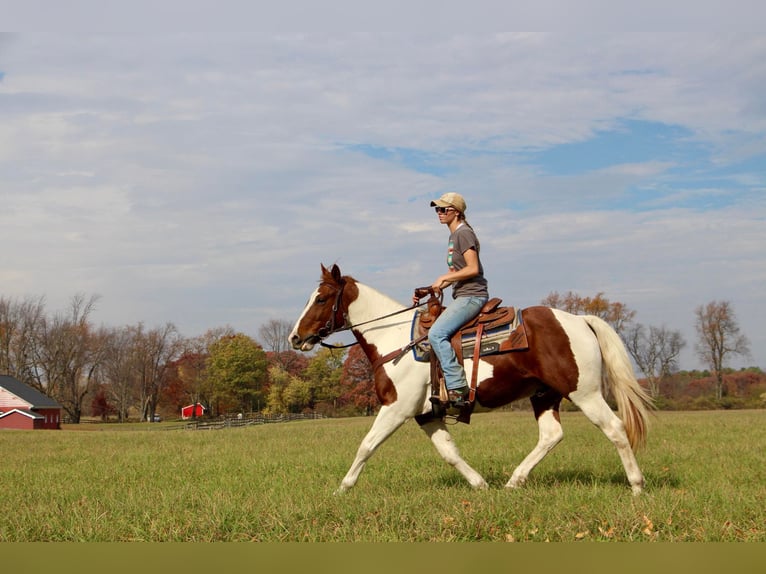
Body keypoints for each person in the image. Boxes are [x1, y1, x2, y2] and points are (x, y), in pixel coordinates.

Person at [418, 192, 489, 406]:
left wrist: (445, 277)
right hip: (462, 294)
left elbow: (473, 268)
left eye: (442, 209)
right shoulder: (453, 237)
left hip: (472, 295)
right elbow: (456, 273)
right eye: (437, 210)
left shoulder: (463, 234)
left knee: (437, 333)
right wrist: (431, 287)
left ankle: (457, 387)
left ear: (456, 212)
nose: (438, 213)